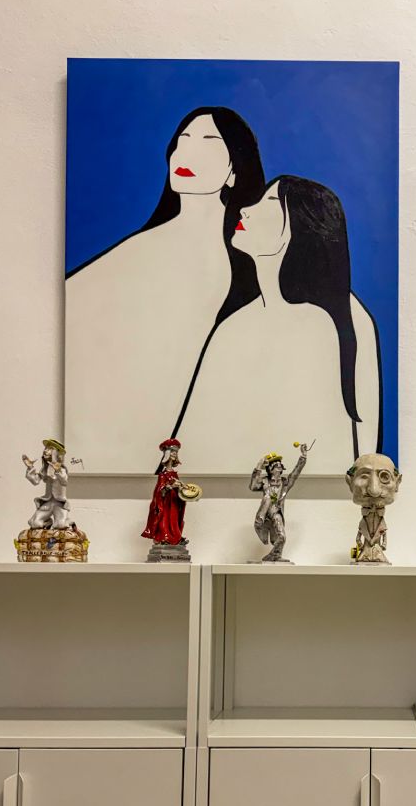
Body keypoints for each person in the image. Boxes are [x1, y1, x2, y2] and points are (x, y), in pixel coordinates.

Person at [65, 107, 265, 472]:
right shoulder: (139, 251)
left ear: (234, 171)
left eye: (208, 143)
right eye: (181, 143)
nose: (186, 155)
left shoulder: (254, 259)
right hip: (120, 437)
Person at [175, 176, 382, 473]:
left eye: (269, 202)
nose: (245, 210)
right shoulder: (235, 325)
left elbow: (357, 448)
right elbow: (191, 442)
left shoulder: (333, 319)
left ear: (299, 227)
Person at [249, 444, 310, 562]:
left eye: (279, 464)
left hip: (276, 513)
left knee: (282, 537)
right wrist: (259, 466)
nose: (278, 465)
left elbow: (295, 473)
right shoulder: (265, 481)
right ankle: (260, 524)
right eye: (275, 464)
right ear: (270, 469)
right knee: (267, 498)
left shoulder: (284, 483)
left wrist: (303, 456)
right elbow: (252, 486)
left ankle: (275, 555)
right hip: (265, 514)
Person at [346, 452, 402, 564]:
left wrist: (384, 543)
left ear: (397, 483)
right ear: (349, 482)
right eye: (364, 476)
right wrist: (359, 540)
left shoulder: (380, 520)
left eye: (384, 477)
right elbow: (361, 530)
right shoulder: (364, 521)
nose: (374, 490)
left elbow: (383, 531)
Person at [142, 438, 190, 548]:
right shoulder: (162, 475)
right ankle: (164, 537)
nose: (174, 454)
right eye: (172, 452)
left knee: (174, 520)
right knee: (165, 520)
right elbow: (159, 490)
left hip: (174, 502)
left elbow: (177, 487)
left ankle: (175, 538)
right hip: (165, 503)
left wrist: (182, 488)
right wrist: (170, 486)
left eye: (176, 452)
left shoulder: (174, 474)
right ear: (167, 454)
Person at [23, 438, 70, 530]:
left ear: (55, 453)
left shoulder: (62, 470)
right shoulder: (45, 469)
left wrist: (57, 470)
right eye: (46, 449)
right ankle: (47, 522)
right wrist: (30, 468)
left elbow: (64, 481)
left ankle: (68, 521)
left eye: (49, 449)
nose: (45, 451)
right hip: (48, 502)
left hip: (59, 504)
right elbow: (36, 481)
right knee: (34, 523)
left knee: (61, 525)